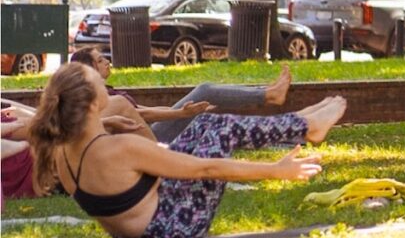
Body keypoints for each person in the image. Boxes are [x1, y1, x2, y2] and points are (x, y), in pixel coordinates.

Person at [26, 63, 346, 238]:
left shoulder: (62, 150)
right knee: (219, 131)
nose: (101, 76)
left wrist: (107, 123)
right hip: (173, 233)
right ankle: (306, 126)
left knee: (204, 123)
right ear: (93, 102)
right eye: (96, 79)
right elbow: (207, 168)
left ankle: (297, 121)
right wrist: (277, 171)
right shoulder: (118, 149)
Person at [69, 47, 293, 143]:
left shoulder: (110, 91)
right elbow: (142, 115)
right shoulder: (96, 98)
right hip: (147, 141)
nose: (107, 60)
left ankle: (271, 101)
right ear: (88, 70)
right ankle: (269, 95)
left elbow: (145, 112)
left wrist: (186, 112)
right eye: (99, 60)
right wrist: (181, 113)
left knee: (210, 109)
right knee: (205, 90)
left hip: (147, 134)